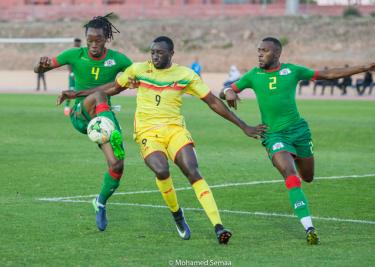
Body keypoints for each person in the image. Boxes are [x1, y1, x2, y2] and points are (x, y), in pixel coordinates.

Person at [59, 36, 265, 244]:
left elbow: (212, 102)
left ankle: (218, 227)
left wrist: (243, 125)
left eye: (160, 52)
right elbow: (111, 88)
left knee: (192, 171)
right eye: (153, 52)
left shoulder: (185, 75)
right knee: (161, 170)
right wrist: (76, 94)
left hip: (175, 130)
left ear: (171, 54)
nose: (155, 56)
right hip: (147, 133)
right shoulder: (139, 71)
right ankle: (177, 215)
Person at [220, 37, 375, 245]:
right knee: (290, 175)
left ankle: (300, 182)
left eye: (265, 51)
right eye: (259, 50)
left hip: (299, 132)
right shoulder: (254, 75)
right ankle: (309, 228)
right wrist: (228, 92)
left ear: (277, 54)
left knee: (307, 177)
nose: (260, 54)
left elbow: (328, 74)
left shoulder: (292, 71)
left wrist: (364, 68)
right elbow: (226, 90)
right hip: (274, 135)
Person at [34, 14, 133, 232]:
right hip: (81, 114)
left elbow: (133, 78)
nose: (93, 45)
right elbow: (41, 68)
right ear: (86, 38)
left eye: (98, 40)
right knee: (99, 96)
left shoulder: (119, 60)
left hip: (102, 115)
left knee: (117, 165)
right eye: (90, 40)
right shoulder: (74, 54)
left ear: (106, 38)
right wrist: (39, 65)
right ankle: (111, 131)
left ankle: (100, 202)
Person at [64, 38, 82, 116]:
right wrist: (72, 73)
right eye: (76, 43)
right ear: (74, 43)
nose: (77, 45)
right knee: (71, 90)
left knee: (80, 91)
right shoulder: (71, 52)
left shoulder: (82, 52)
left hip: (80, 75)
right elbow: (68, 62)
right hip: (73, 74)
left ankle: (78, 107)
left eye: (78, 44)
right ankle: (66, 106)